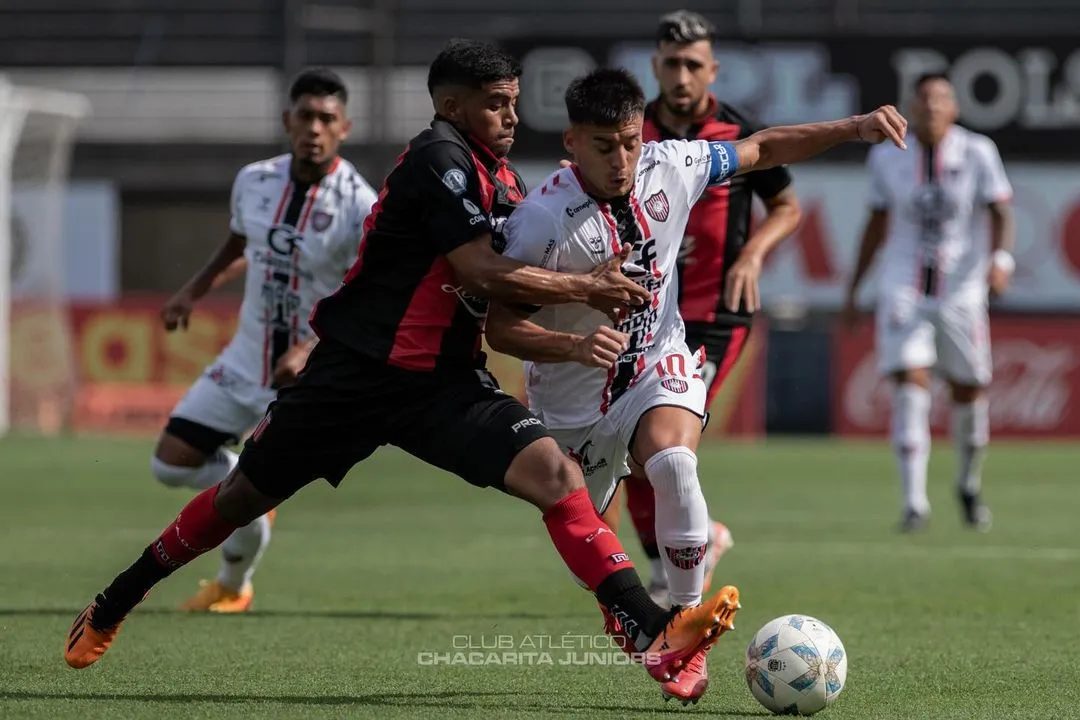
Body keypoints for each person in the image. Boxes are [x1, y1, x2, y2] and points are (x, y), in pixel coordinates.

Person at [64, 39, 741, 691]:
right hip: (354, 378)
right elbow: (478, 268)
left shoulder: (503, 178)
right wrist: (586, 290)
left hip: (441, 385)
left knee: (555, 476)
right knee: (242, 498)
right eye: (496, 104)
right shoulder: (436, 160)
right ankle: (116, 598)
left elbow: (508, 277)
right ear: (451, 105)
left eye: (512, 104)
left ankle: (655, 632)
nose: (511, 117)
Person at [486, 67, 907, 704]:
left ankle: (685, 629)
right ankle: (645, 604)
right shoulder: (541, 219)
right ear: (572, 142)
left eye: (629, 141)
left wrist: (855, 127)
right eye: (604, 146)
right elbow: (500, 327)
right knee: (591, 564)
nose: (622, 158)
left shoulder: (672, 163)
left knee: (677, 464)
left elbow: (762, 148)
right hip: (571, 406)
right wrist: (573, 343)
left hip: (657, 363)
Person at [149, 67, 378, 613]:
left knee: (246, 499)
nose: (314, 128)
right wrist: (193, 289)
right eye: (305, 116)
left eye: (327, 118)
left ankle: (234, 583)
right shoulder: (254, 179)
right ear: (287, 121)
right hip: (247, 354)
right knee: (169, 464)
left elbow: (366, 297)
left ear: (344, 127)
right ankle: (238, 475)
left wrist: (305, 348)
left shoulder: (360, 206)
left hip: (309, 374)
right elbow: (240, 242)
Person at [614, 9, 804, 607]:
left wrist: (750, 257)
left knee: (664, 447)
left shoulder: (738, 132)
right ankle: (683, 554)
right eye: (671, 63)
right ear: (655, 67)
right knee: (633, 453)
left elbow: (789, 207)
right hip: (643, 313)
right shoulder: (630, 132)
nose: (681, 74)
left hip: (713, 318)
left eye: (693, 64)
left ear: (712, 69)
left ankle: (680, 579)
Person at [843, 72, 1013, 533]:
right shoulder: (886, 157)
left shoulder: (978, 152)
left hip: (962, 290)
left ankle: (967, 484)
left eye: (941, 99)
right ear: (910, 108)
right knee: (909, 388)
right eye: (924, 100)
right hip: (904, 286)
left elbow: (1001, 210)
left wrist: (1001, 260)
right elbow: (876, 224)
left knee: (969, 390)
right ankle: (914, 502)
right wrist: (855, 288)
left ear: (954, 108)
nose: (932, 107)